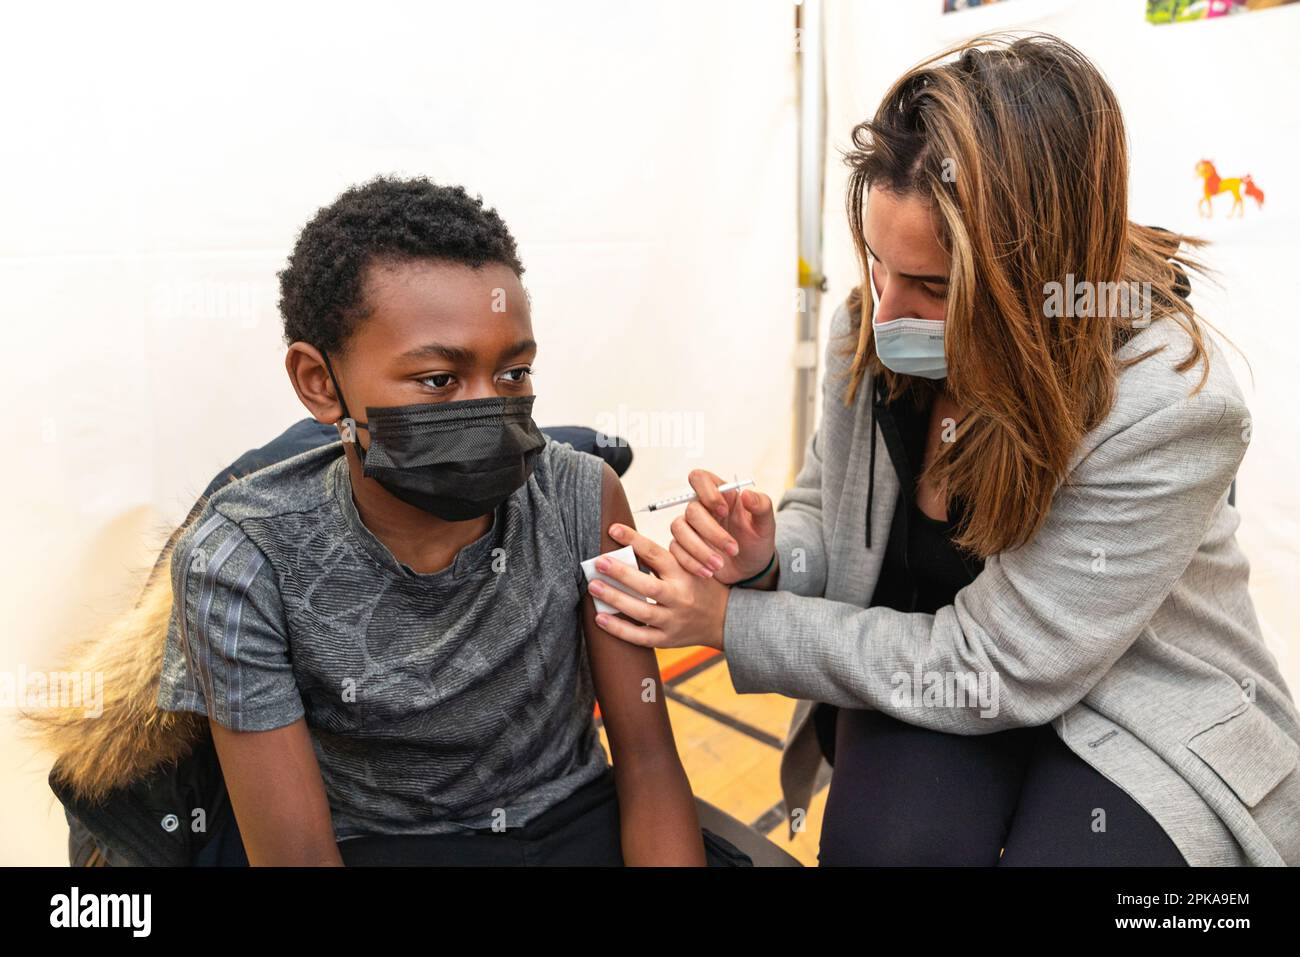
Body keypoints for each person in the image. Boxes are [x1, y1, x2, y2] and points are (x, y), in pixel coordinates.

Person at [585, 35, 1300, 866]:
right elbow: (829, 512)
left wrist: (730, 621)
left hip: (1131, 707)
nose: (886, 312)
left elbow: (999, 665)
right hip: (923, 668)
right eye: (881, 267)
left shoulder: (1168, 404)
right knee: (883, 851)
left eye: (930, 286)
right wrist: (770, 559)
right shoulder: (871, 328)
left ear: (1037, 274)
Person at [156, 175, 708, 865]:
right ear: (320, 383)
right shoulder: (243, 562)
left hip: (568, 822)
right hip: (376, 845)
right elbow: (297, 854)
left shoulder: (580, 498)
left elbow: (650, 765)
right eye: (439, 381)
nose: (489, 410)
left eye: (513, 374)